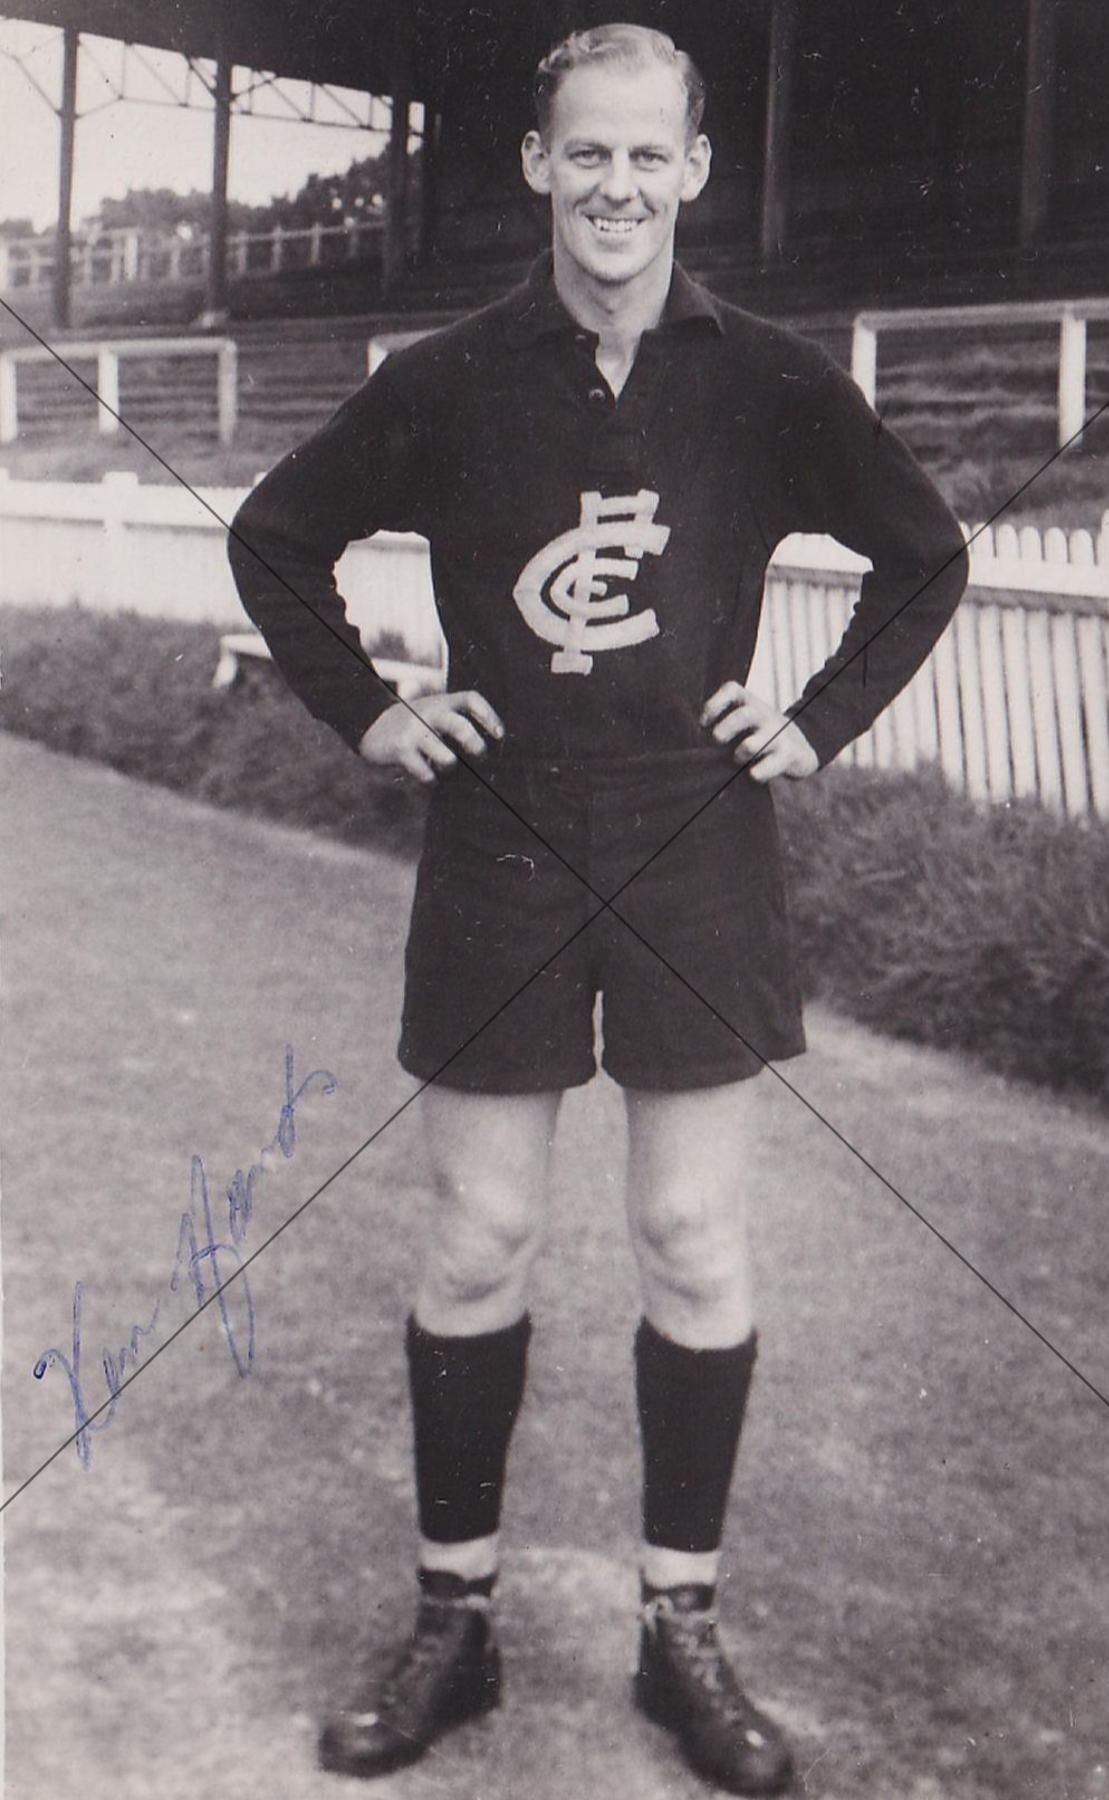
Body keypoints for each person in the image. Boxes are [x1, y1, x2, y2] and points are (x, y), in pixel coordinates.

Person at [228, 23, 967, 1794]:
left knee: (694, 1237)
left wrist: (814, 722)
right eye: (588, 152)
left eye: (650, 155)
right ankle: (454, 1626)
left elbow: (927, 553)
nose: (617, 185)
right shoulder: (448, 375)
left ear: (694, 171)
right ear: (538, 166)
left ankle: (679, 1631)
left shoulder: (769, 377)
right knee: (478, 1233)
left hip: (696, 839)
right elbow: (273, 538)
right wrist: (374, 711)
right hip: (502, 838)